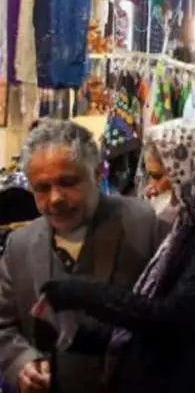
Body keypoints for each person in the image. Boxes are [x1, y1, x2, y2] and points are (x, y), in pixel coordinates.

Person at [39, 119, 195, 392]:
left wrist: (83, 295)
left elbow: (172, 318)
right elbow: (146, 323)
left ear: (191, 171)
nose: (150, 188)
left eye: (159, 177)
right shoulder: (191, 224)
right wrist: (73, 334)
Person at [0, 120, 166, 393]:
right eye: (42, 188)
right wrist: (22, 363)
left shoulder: (146, 226)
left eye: (67, 182)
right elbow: (4, 325)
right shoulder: (19, 246)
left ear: (98, 173)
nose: (55, 198)